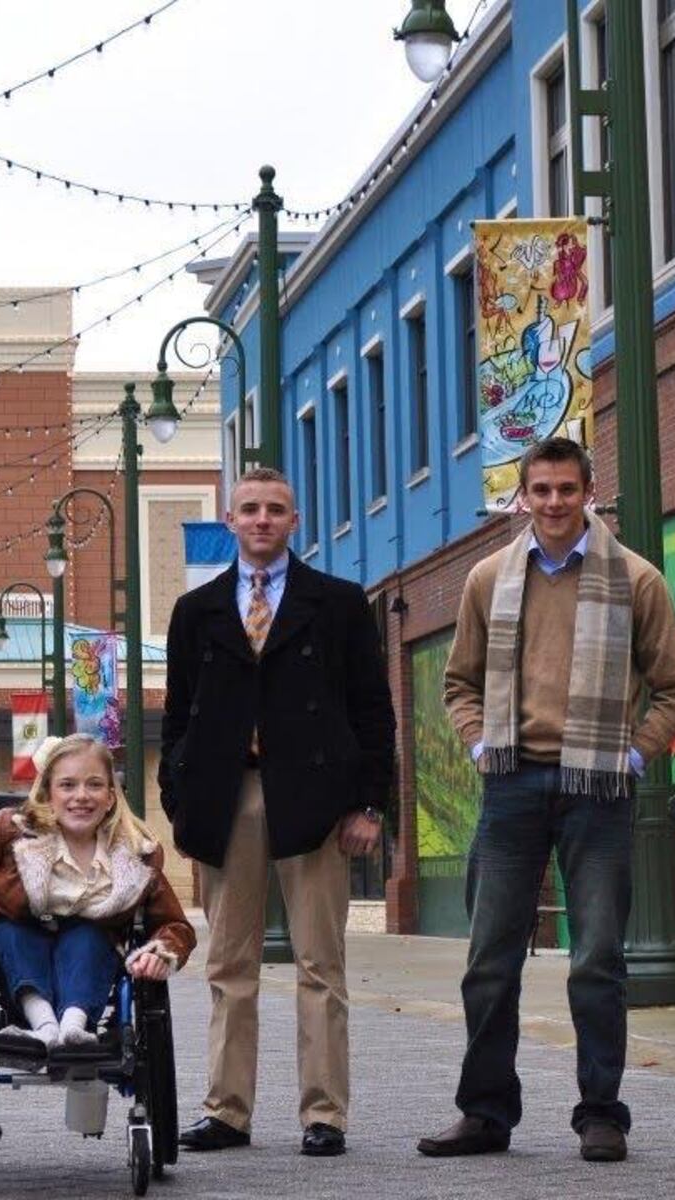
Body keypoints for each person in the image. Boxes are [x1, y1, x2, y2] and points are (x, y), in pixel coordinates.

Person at [418, 437, 675, 1164]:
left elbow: (674, 689)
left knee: (598, 958)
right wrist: (481, 746)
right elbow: (459, 683)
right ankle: (484, 1114)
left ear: (589, 491)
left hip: (597, 793)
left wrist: (630, 755)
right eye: (539, 490)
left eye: (565, 490)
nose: (552, 503)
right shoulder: (487, 579)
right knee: (489, 961)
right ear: (523, 496)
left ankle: (601, 1113)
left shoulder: (635, 580)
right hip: (510, 786)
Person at [159, 465, 395, 1157]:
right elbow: (177, 716)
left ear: (296, 522)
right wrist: (181, 796)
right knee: (229, 965)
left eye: (276, 509)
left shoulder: (340, 603)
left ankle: (325, 1116)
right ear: (229, 522)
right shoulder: (195, 612)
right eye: (250, 509)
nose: (262, 520)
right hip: (228, 798)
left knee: (321, 964)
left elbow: (372, 711)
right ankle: (226, 1112)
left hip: (317, 801)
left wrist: (369, 804)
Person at [0, 734, 195, 1057]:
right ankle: (44, 1027)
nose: (81, 796)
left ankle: (73, 1029)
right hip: (13, 950)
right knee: (10, 930)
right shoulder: (8, 831)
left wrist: (160, 954)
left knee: (90, 936)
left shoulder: (136, 855)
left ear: (111, 798)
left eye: (94, 785)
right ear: (48, 794)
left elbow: (176, 925)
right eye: (67, 785)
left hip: (88, 959)